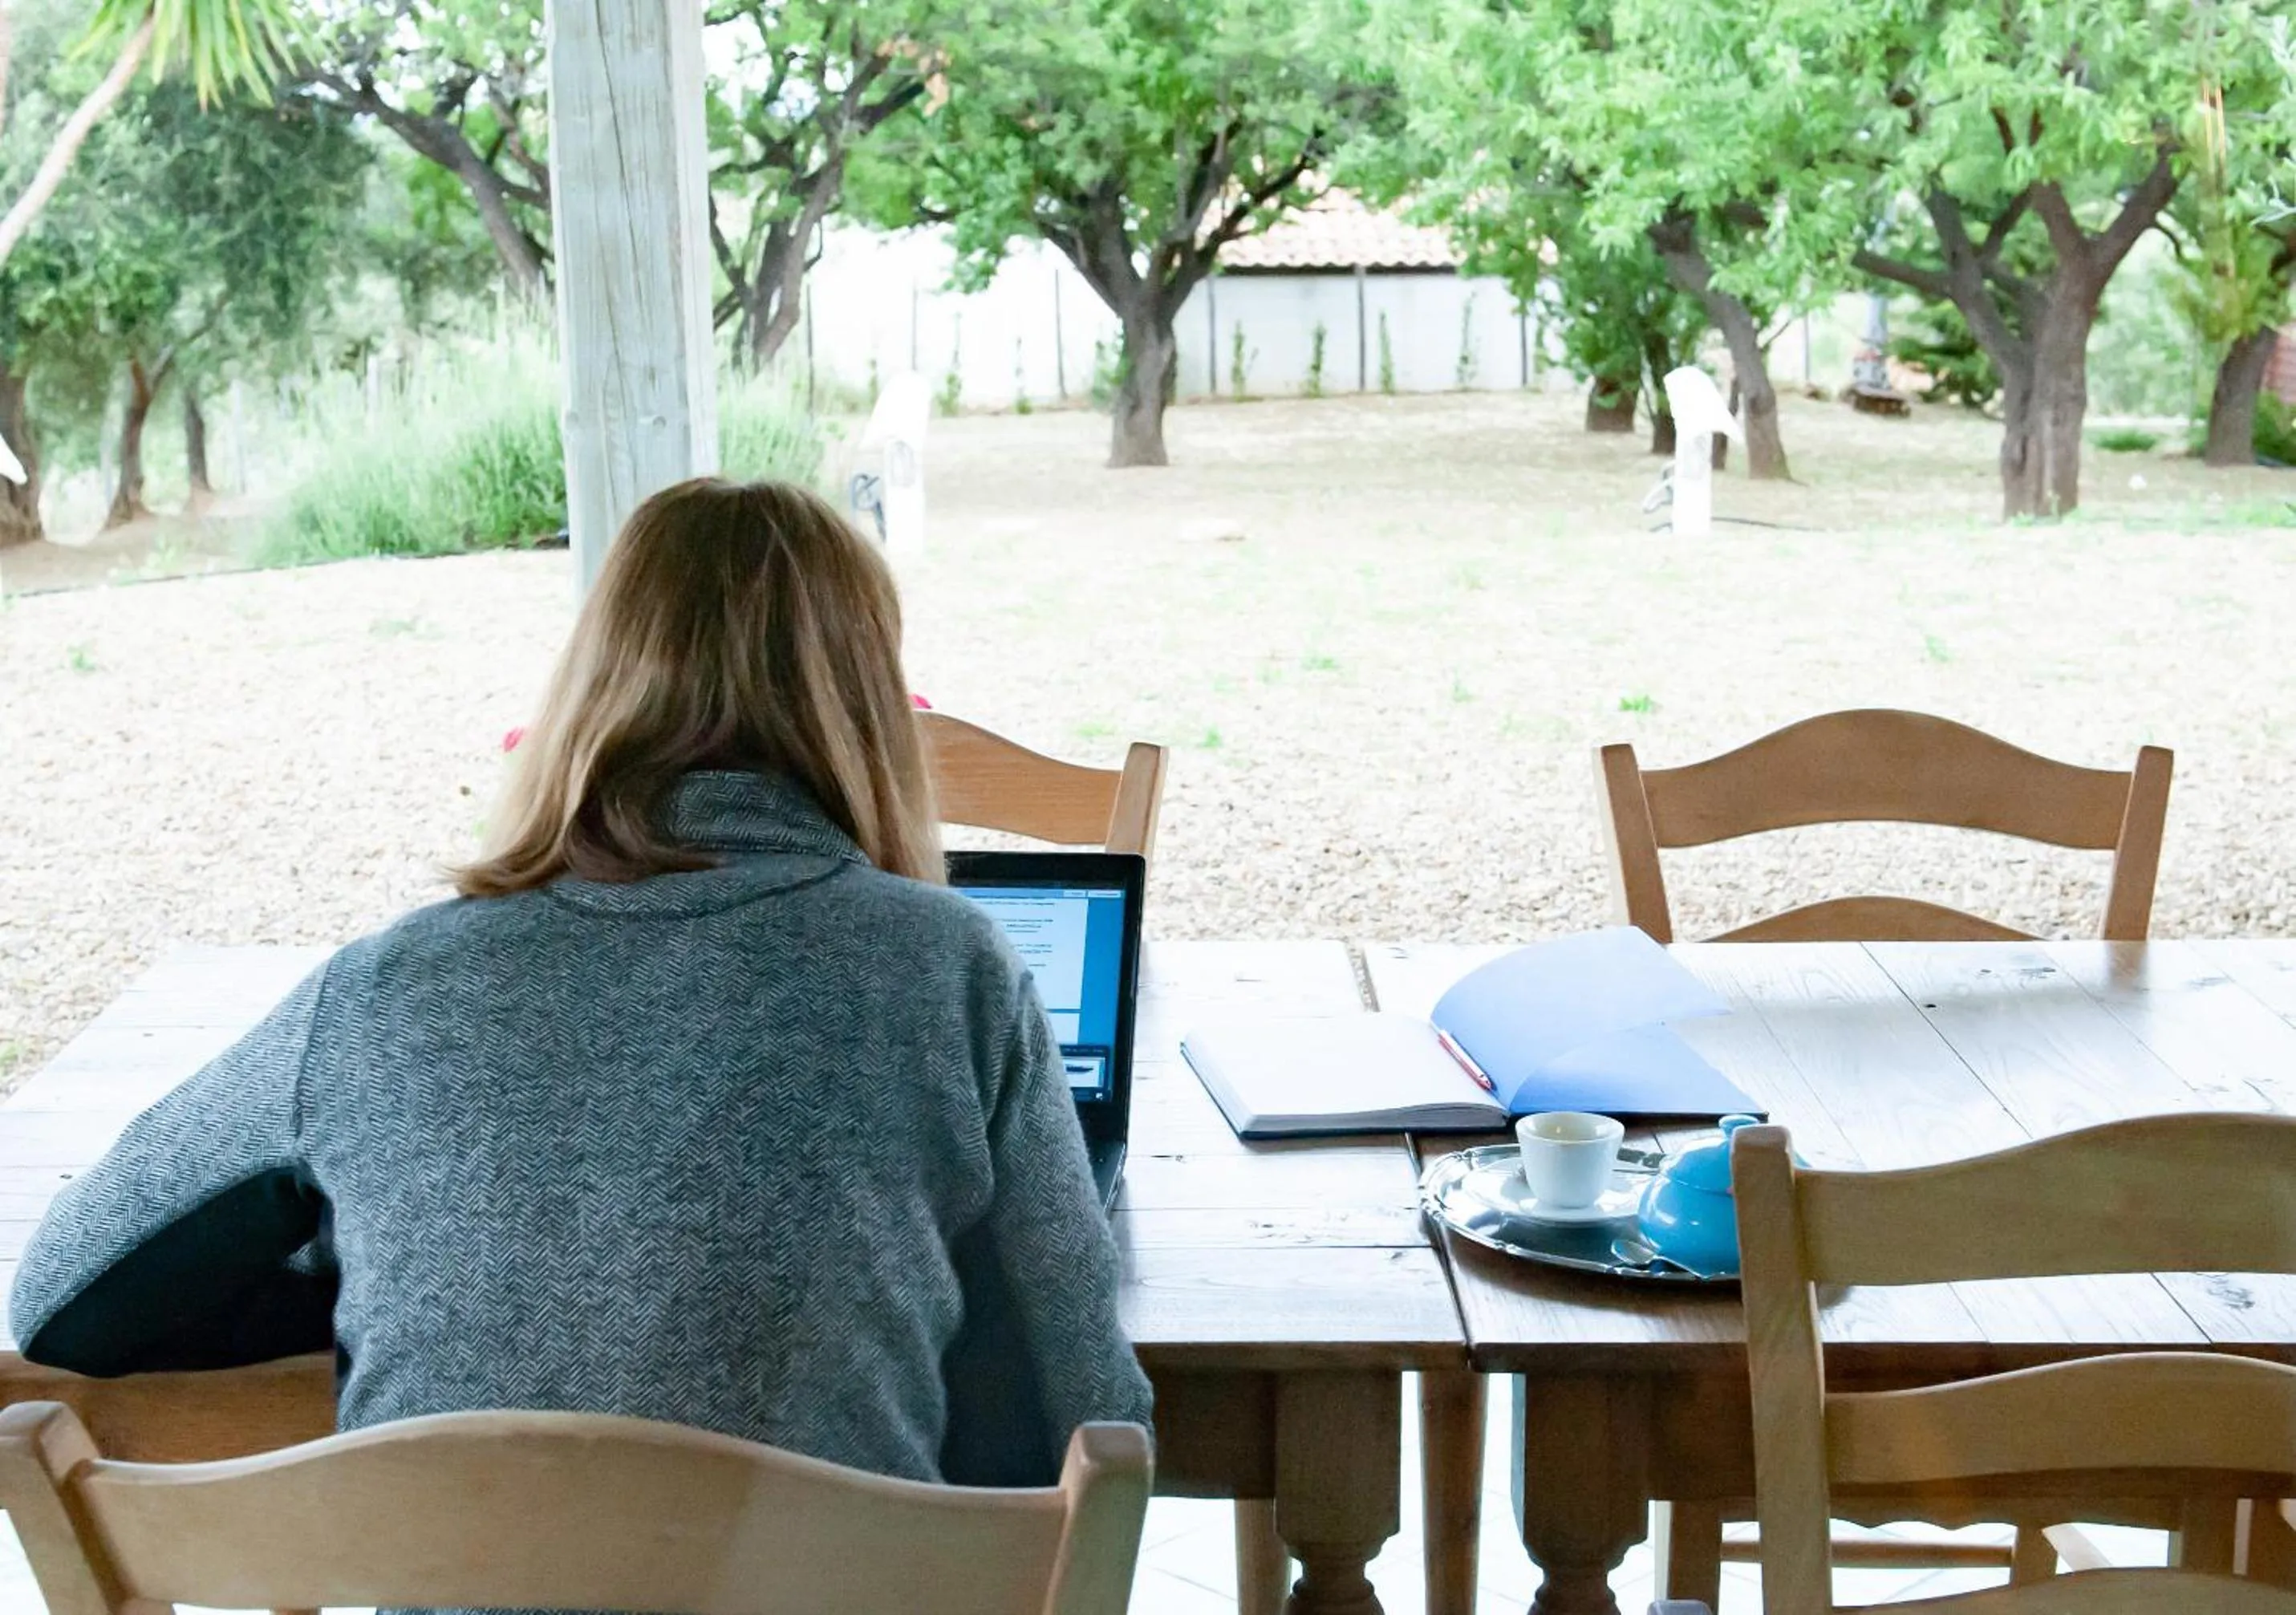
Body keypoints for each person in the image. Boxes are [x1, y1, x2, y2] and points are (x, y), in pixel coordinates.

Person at [9, 477, 1151, 1487]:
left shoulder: (385, 992)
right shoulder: (949, 971)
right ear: (866, 709)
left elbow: (65, 1300)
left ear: (589, 685)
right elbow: (1081, 1426)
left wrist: (404, 1246)